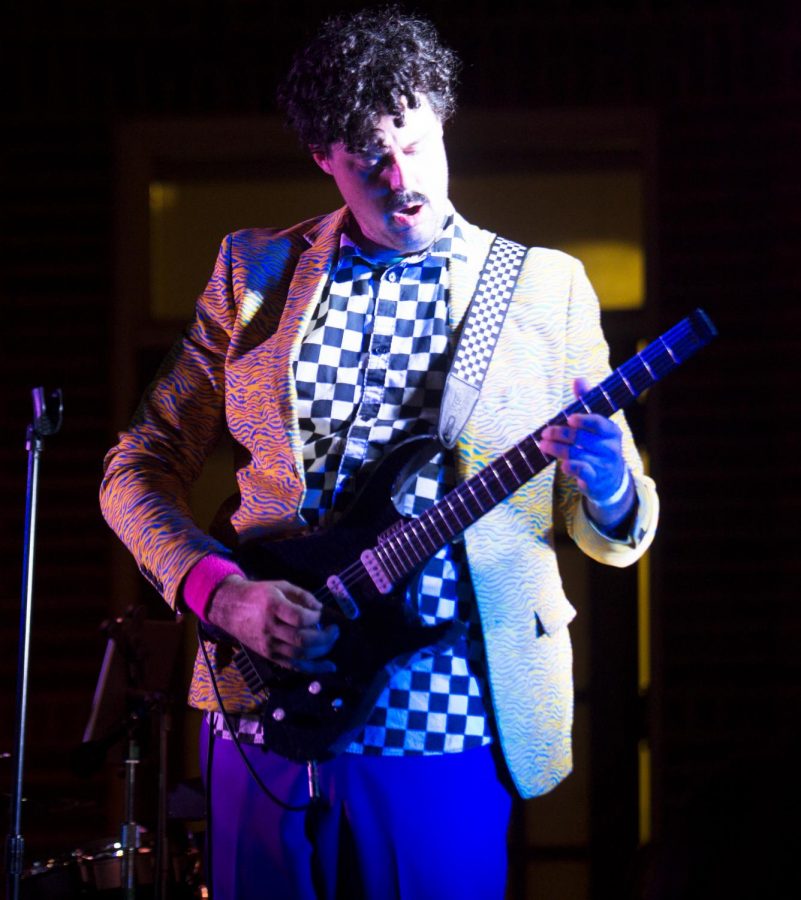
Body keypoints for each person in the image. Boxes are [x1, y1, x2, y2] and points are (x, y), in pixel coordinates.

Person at [100, 6, 659, 899]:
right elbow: (136, 465)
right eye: (367, 157)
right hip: (259, 697)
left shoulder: (545, 288)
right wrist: (219, 592)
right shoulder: (254, 273)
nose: (400, 179)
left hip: (448, 711)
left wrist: (606, 485)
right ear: (323, 156)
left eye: (415, 144)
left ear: (442, 120)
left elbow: (618, 522)